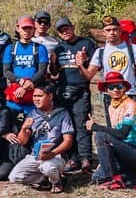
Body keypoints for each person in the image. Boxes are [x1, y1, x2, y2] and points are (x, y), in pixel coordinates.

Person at [87, 72, 136, 190]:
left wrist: (96, 127)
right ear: (107, 90)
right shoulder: (111, 107)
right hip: (124, 150)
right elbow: (115, 135)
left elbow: (122, 133)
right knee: (97, 177)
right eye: (111, 87)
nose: (115, 90)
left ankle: (115, 179)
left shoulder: (130, 104)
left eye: (119, 86)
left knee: (101, 136)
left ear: (125, 88)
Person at [76, 16, 136, 120]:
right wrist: (80, 65)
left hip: (129, 94)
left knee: (131, 130)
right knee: (113, 130)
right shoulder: (100, 52)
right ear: (103, 33)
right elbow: (88, 76)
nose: (112, 33)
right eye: (108, 30)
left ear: (120, 31)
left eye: (114, 29)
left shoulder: (133, 49)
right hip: (110, 96)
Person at [47, 17, 96, 174]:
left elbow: (95, 67)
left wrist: (85, 61)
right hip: (63, 90)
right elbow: (54, 73)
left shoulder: (86, 44)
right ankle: (72, 158)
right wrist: (53, 63)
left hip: (80, 90)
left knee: (82, 123)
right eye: (61, 30)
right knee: (67, 126)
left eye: (67, 28)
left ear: (73, 27)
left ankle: (86, 159)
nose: (65, 32)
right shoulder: (59, 48)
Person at [8, 82, 74, 194]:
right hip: (35, 156)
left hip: (56, 155)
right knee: (14, 177)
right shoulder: (32, 114)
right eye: (34, 96)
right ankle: (45, 180)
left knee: (48, 167)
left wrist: (53, 153)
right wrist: (24, 128)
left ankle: (56, 181)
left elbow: (68, 141)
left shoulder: (62, 113)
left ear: (50, 96)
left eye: (40, 96)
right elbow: (22, 141)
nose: (36, 99)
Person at [2, 16, 49, 114]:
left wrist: (26, 85)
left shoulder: (40, 48)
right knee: (12, 127)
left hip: (33, 96)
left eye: (30, 28)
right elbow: (6, 71)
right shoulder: (10, 48)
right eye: (24, 28)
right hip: (14, 96)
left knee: (32, 127)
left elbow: (42, 70)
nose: (27, 31)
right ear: (18, 28)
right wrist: (20, 81)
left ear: (34, 29)